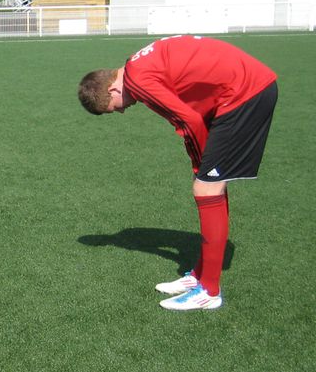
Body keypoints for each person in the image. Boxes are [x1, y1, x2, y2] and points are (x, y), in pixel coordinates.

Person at [77, 35, 277, 311]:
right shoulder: (135, 66)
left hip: (246, 92)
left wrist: (200, 166)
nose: (123, 111)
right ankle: (200, 276)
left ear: (112, 90)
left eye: (115, 108)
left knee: (207, 187)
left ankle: (209, 291)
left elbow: (189, 119)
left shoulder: (139, 82)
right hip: (243, 87)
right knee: (210, 184)